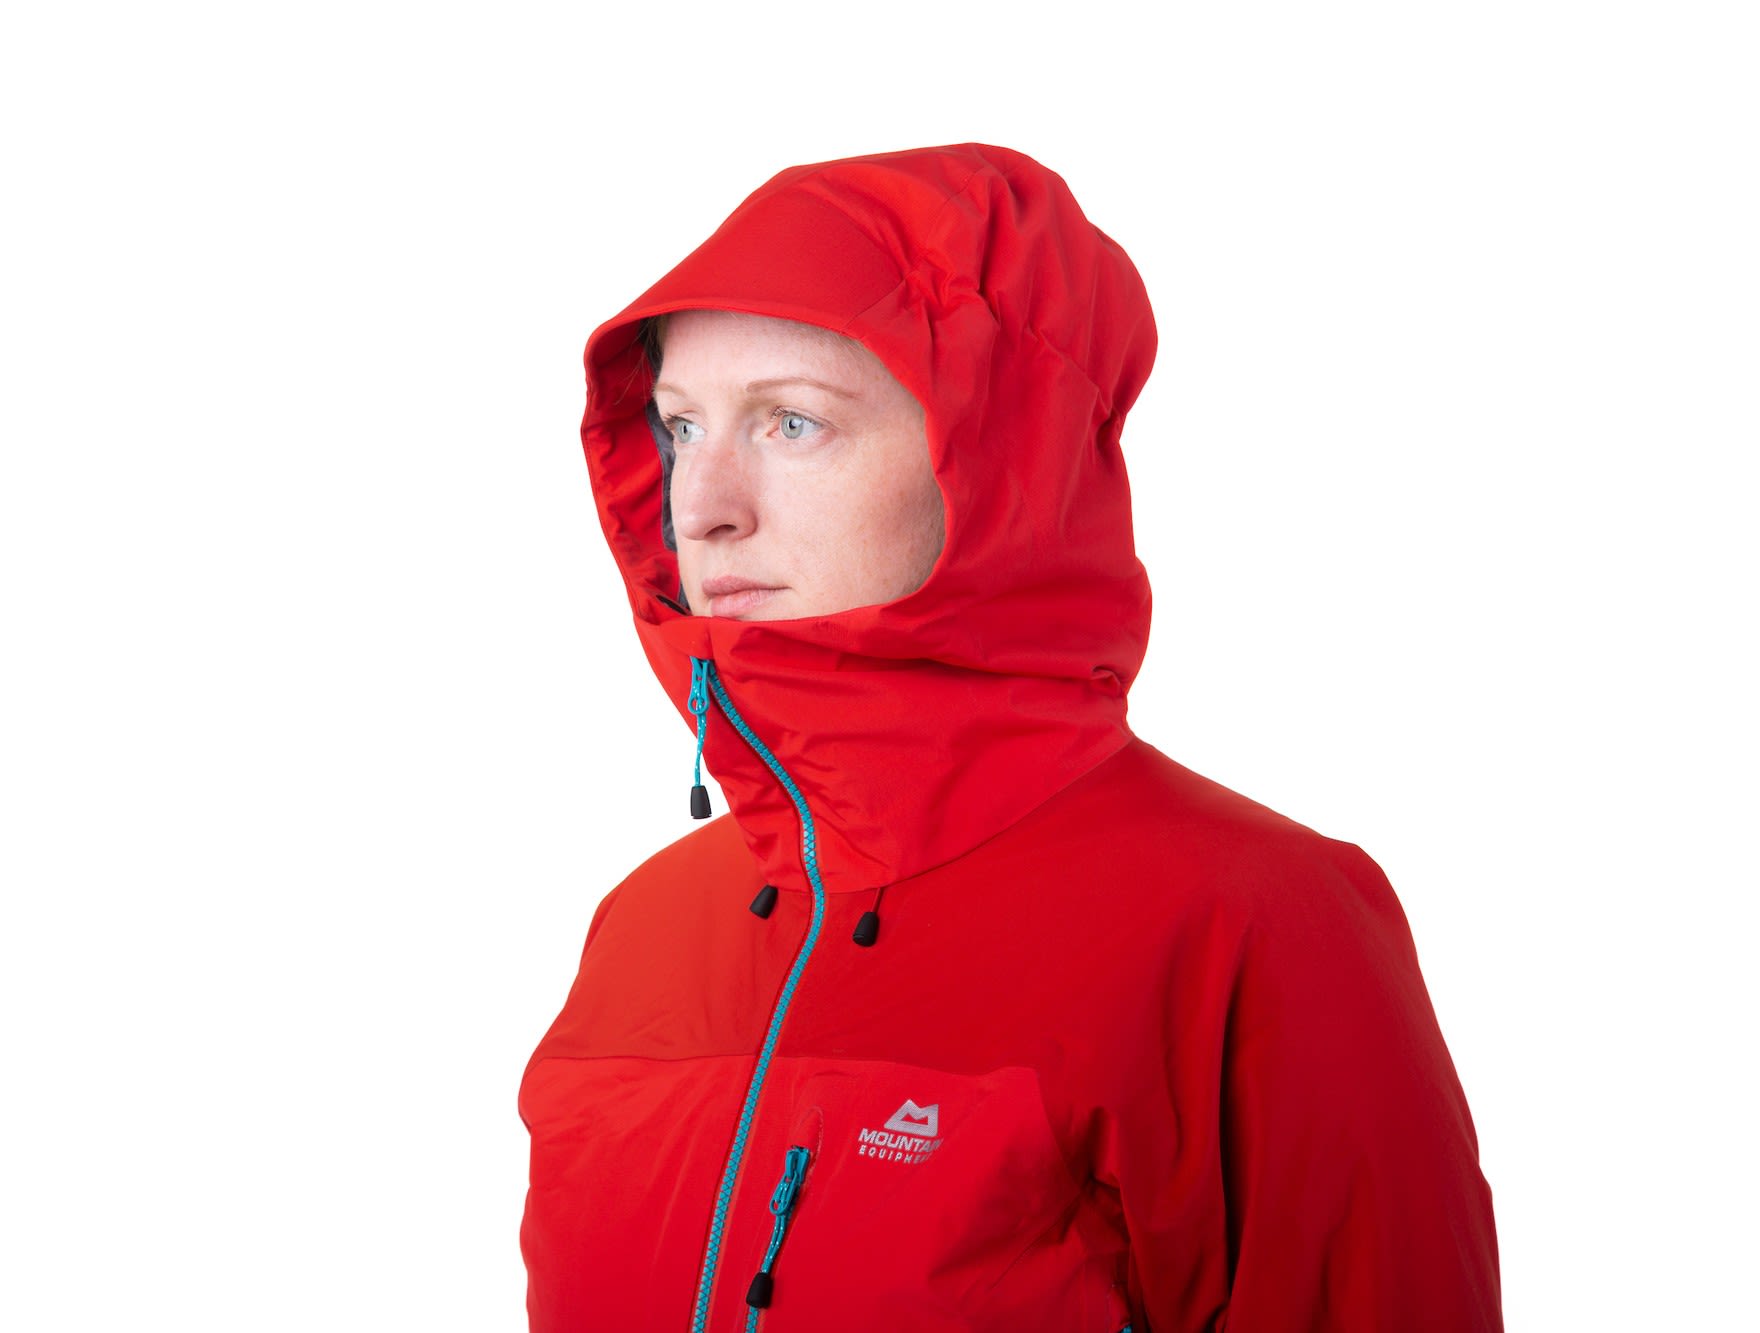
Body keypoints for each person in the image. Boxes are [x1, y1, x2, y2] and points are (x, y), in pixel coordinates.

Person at [519, 143, 1501, 1332]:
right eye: (679, 426)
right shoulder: (641, 929)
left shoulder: (1250, 927)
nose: (701, 505)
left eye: (791, 422)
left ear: (994, 450)